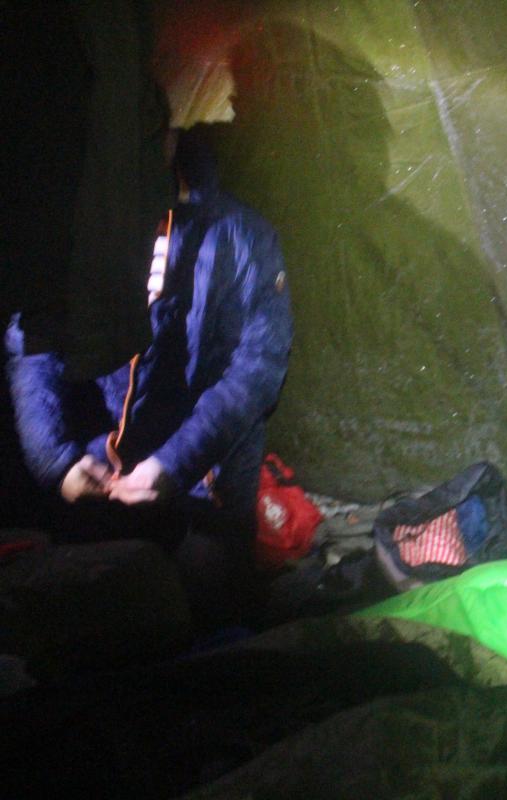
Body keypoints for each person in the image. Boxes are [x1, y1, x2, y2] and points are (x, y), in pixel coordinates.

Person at [5, 125, 293, 629]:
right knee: (91, 616)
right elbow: (32, 341)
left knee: (206, 607)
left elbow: (258, 367)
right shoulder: (76, 225)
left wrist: (174, 463)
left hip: (204, 483)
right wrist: (53, 459)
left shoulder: (241, 235)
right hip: (96, 469)